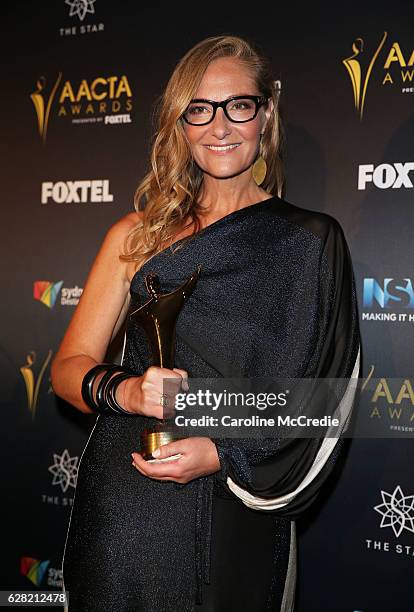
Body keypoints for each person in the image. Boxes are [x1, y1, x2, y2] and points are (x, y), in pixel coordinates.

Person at [51, 34, 361, 612]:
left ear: (265, 114)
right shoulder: (133, 236)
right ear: (180, 124)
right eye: (199, 109)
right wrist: (130, 392)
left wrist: (222, 452)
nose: (219, 126)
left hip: (240, 496)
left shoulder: (312, 241)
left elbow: (327, 398)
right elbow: (67, 371)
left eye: (237, 105)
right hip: (127, 502)